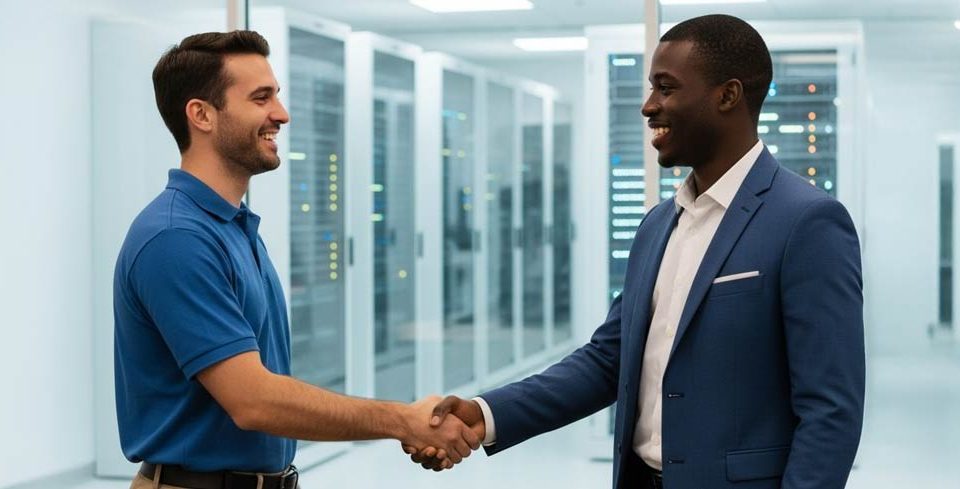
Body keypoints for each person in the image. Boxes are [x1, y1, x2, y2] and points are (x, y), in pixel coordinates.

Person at [411, 14, 865, 489]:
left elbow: (832, 411)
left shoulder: (807, 222)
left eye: (666, 88)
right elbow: (608, 360)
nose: (649, 107)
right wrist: (485, 415)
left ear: (727, 96)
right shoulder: (657, 225)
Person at [113, 30, 478, 489]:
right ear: (201, 115)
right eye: (261, 98)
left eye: (277, 96)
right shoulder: (176, 238)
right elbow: (255, 402)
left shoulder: (232, 226)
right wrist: (400, 420)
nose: (281, 115)